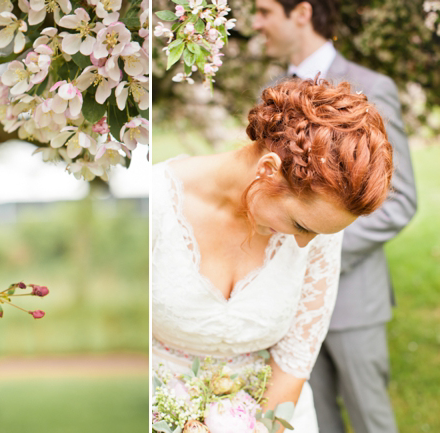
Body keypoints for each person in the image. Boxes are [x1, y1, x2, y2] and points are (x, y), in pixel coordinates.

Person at [152, 77, 395, 433]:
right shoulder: (157, 202)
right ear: (267, 171)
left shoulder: (318, 225)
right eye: (299, 224)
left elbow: (296, 356)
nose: (304, 245)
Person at [252, 1, 417, 432]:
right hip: (285, 305)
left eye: (265, 10)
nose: (256, 22)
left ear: (301, 13)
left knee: (370, 420)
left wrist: (320, 246)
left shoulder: (372, 87)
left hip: (353, 302)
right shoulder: (272, 94)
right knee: (311, 418)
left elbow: (398, 201)